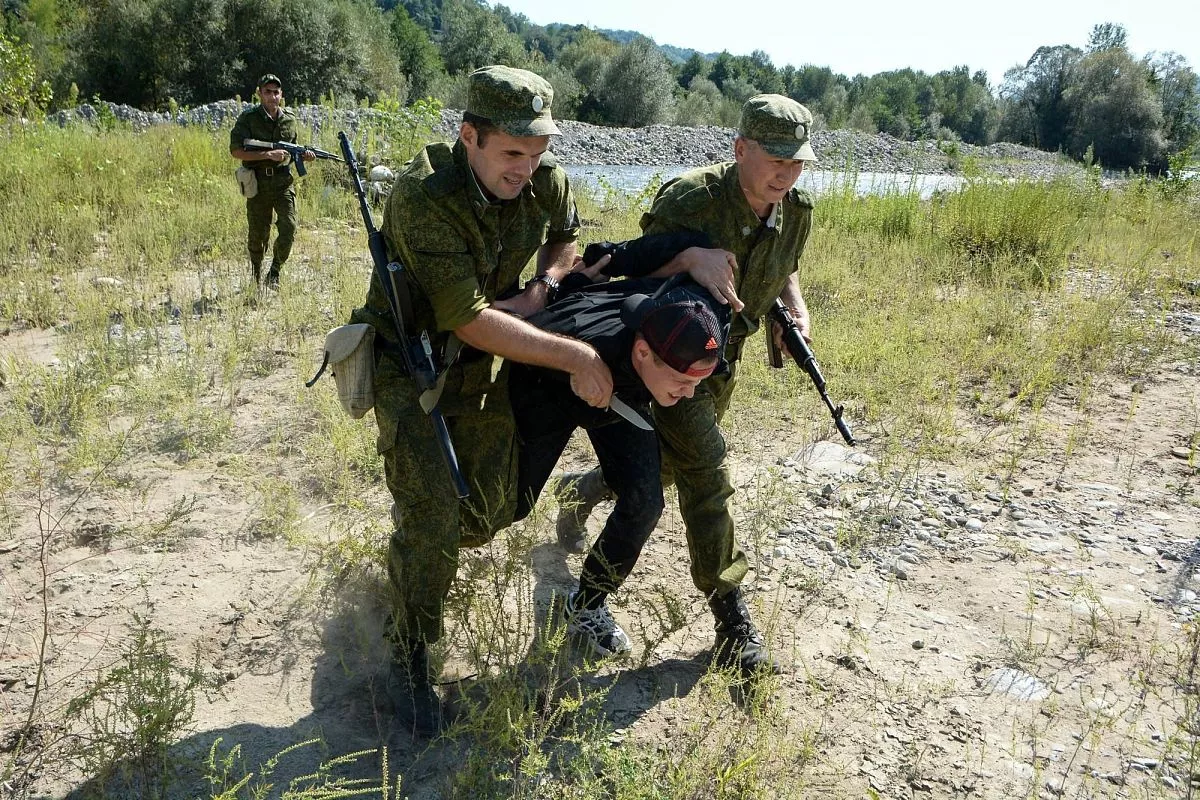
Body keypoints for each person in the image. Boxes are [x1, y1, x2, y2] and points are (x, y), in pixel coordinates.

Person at [347, 65, 611, 736]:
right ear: (470, 137)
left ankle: (415, 544)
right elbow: (468, 319)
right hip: (410, 362)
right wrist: (575, 354)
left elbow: (564, 237)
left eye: (538, 151)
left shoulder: (542, 178)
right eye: (513, 152)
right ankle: (409, 651)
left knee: (496, 506)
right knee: (435, 515)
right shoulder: (424, 197)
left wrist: (545, 285)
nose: (527, 168)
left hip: (482, 364)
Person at [555, 94, 819, 680]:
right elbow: (634, 273)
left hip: (722, 365)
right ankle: (730, 617)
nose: (787, 173)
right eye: (776, 159)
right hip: (671, 360)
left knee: (670, 469)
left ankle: (585, 490)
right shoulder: (691, 199)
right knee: (706, 470)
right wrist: (691, 259)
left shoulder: (795, 210)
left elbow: (784, 264)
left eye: (797, 162)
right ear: (740, 149)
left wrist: (793, 310)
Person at [511, 265, 730, 659]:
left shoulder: (699, 326)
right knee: (512, 504)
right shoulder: (577, 332)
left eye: (696, 383)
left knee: (645, 501)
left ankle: (586, 604)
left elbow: (669, 251)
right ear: (644, 352)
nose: (689, 394)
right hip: (548, 385)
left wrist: (693, 253)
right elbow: (510, 339)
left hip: (622, 395)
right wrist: (572, 364)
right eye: (682, 382)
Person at [229, 73, 314, 288]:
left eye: (276, 92)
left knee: (289, 227)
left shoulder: (289, 120)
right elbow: (236, 151)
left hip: (283, 183)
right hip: (258, 184)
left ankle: (274, 272)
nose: (272, 96)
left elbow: (292, 150)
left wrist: (303, 156)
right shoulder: (249, 119)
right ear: (260, 93)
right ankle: (256, 274)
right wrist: (267, 155)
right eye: (268, 92)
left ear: (281, 94)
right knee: (259, 234)